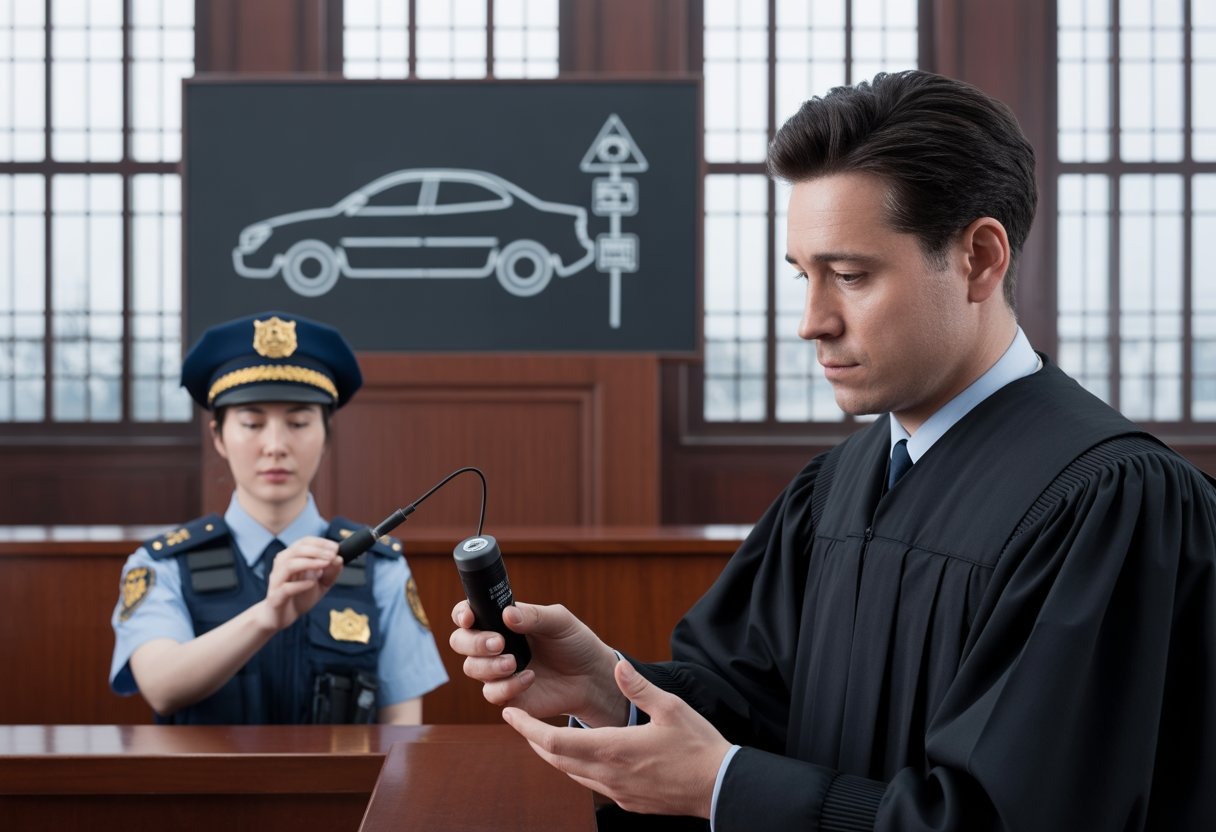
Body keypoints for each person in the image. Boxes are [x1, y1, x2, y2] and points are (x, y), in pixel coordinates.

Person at [449, 70, 1216, 830]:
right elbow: (754, 707)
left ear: (980, 259)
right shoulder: (840, 484)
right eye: (803, 276)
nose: (812, 321)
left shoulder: (1111, 502)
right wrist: (611, 691)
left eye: (850, 275)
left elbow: (1017, 818)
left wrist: (724, 788)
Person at [110, 311, 447, 724]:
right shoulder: (163, 564)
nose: (275, 445)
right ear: (218, 436)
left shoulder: (379, 565)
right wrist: (266, 617)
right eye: (252, 423)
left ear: (326, 436)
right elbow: (161, 688)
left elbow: (403, 732)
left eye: (298, 422)